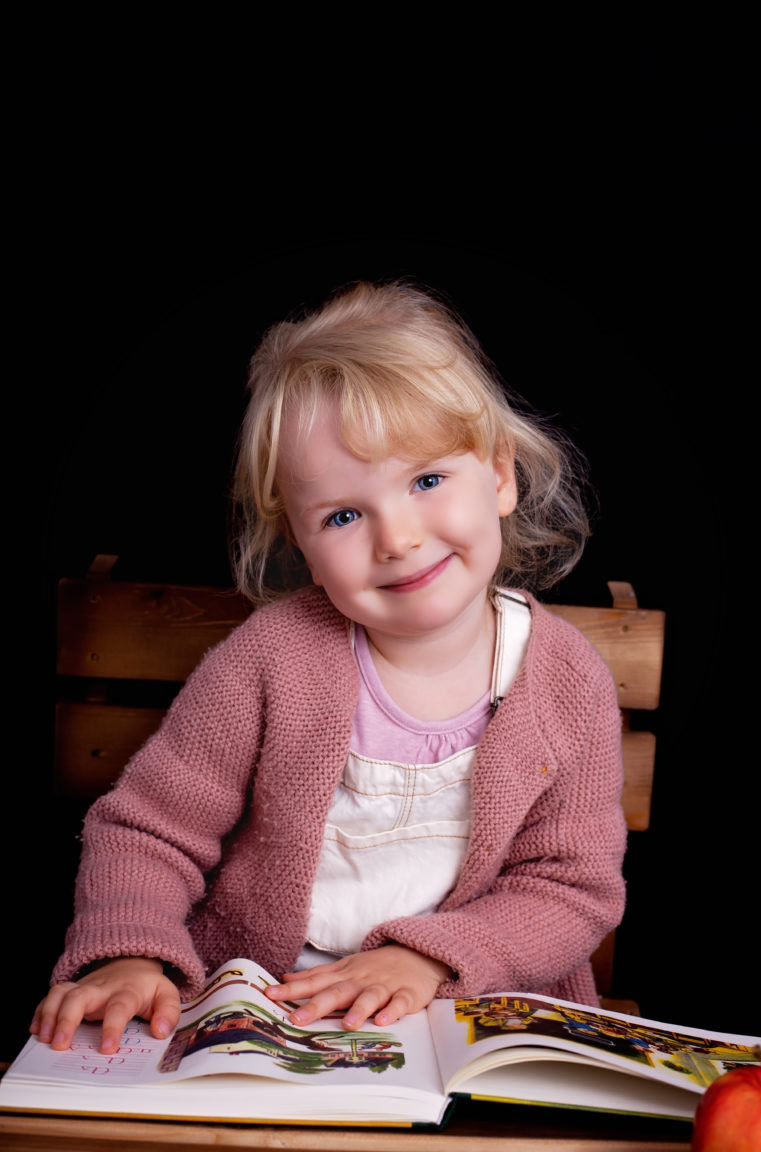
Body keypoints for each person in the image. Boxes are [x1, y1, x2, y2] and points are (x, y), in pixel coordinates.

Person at [31, 279, 626, 1056]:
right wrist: (131, 954)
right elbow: (150, 830)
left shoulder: (567, 679)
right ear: (302, 546)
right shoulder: (271, 661)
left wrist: (424, 959)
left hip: (468, 1015)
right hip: (275, 1014)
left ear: (501, 476)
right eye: (344, 515)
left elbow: (569, 887)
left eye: (427, 480)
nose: (398, 539)